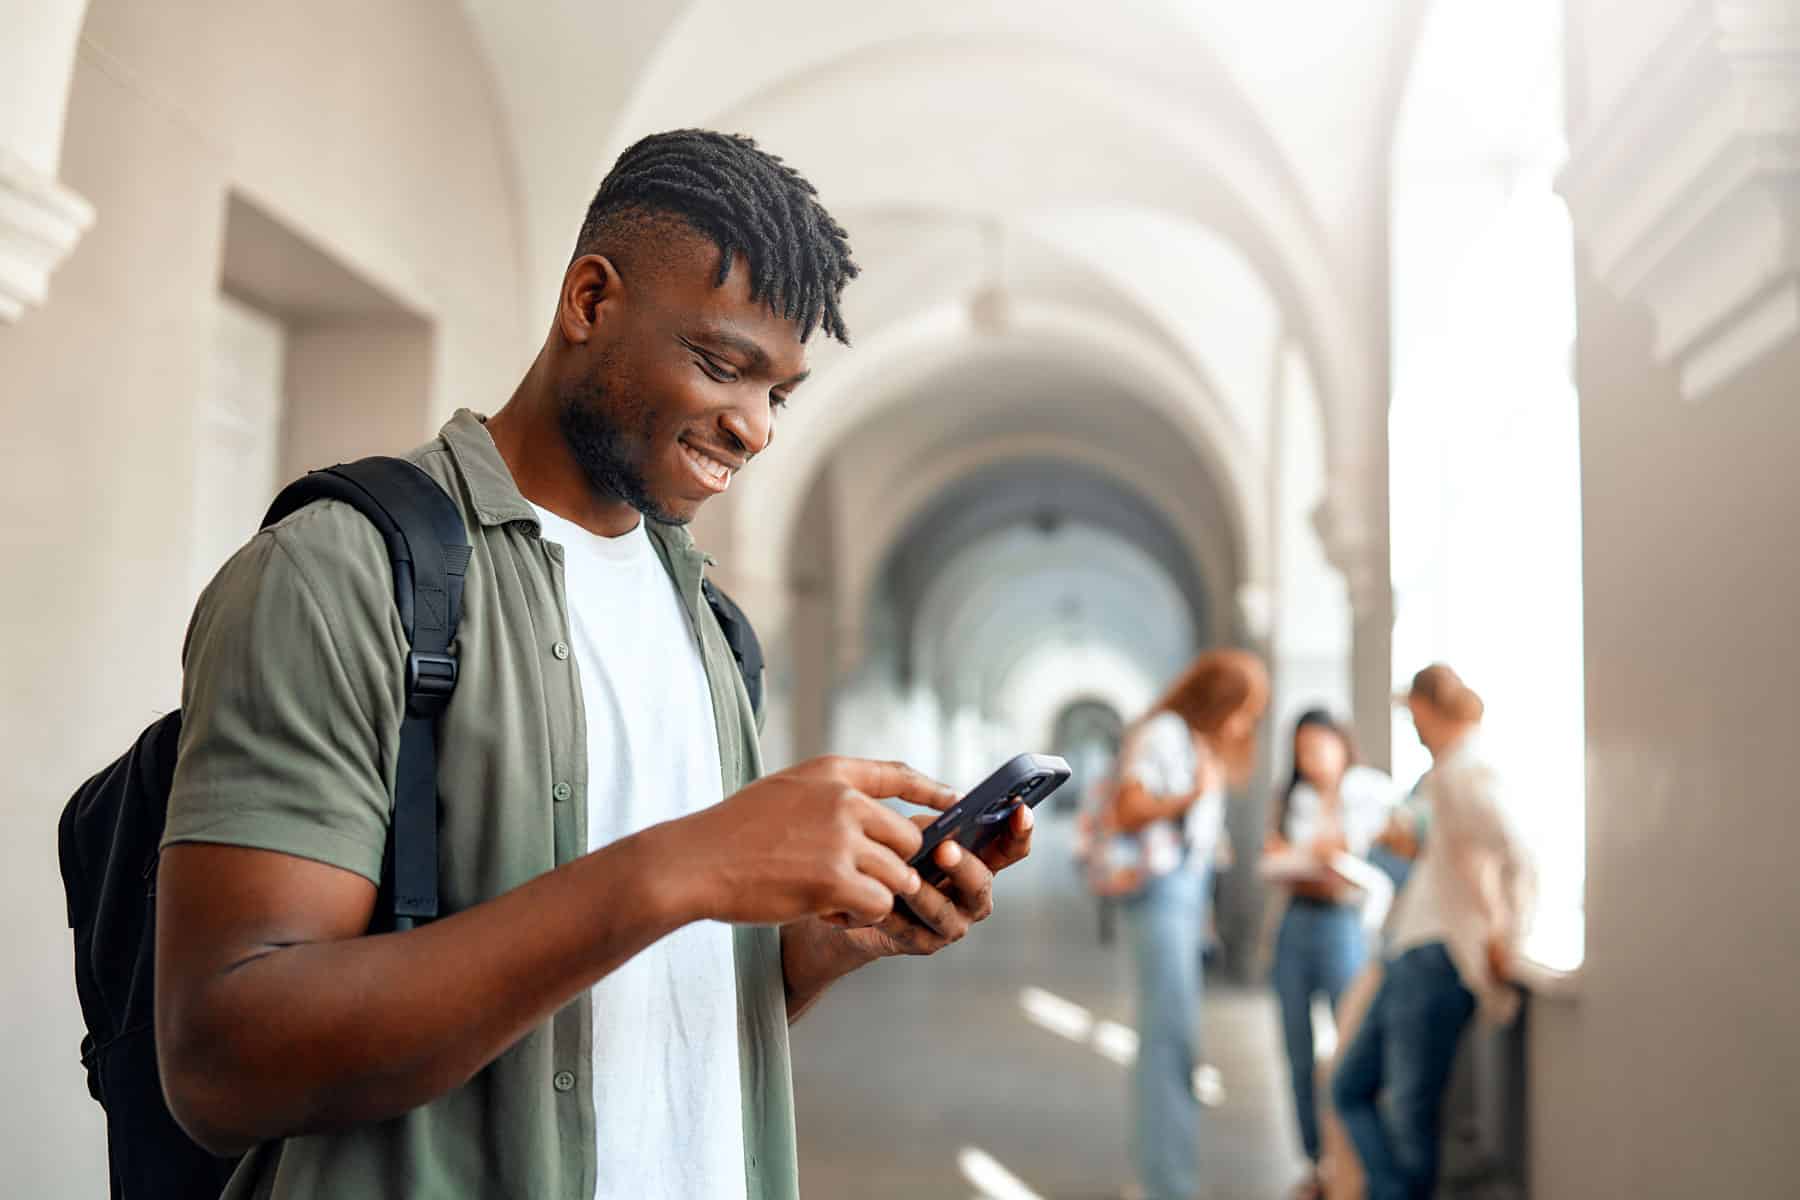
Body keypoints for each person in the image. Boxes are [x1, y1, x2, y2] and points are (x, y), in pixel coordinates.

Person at [153, 129, 1032, 1200]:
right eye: (721, 364)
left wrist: (819, 945)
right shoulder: (341, 572)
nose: (754, 427)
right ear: (590, 300)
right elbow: (223, 1061)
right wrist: (682, 865)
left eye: (781, 393)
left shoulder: (710, 626)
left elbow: (651, 1013)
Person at [1330, 665, 1535, 1200]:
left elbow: (1522, 858)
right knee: (1354, 1088)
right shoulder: (1448, 773)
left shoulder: (1468, 772)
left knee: (1408, 1118)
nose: (1414, 730)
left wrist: (1507, 939)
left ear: (1428, 707)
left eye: (1414, 716)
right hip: (1411, 950)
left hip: (1436, 958)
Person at [1109, 650, 1269, 1200]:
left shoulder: (1192, 740)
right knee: (1167, 1043)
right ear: (1216, 700)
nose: (1244, 724)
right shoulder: (1165, 733)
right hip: (1160, 897)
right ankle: (1165, 1184)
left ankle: (1166, 1175)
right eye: (1242, 710)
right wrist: (1191, 797)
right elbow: (1127, 809)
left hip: (1184, 897)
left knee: (1174, 1040)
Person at [1262, 710, 1398, 1199]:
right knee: (1298, 1053)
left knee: (1349, 1050)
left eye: (1320, 746)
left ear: (1343, 745)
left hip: (1347, 926)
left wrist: (1318, 861)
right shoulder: (1291, 799)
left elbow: (1362, 862)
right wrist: (1312, 863)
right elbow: (1279, 859)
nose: (1312, 759)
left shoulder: (1371, 793)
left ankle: (1353, 1166)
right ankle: (1318, 1163)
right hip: (1297, 924)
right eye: (1302, 751)